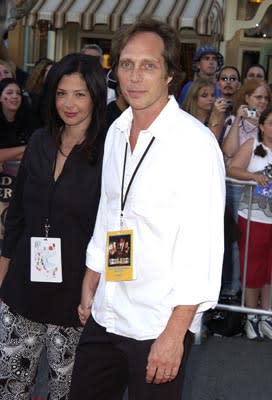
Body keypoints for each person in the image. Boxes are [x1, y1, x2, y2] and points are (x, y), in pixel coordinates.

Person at [69, 18, 225, 400]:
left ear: (170, 73)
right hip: (108, 310)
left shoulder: (196, 144)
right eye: (126, 64)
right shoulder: (117, 131)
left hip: (159, 321)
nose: (135, 77)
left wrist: (176, 334)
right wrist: (92, 273)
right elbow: (111, 211)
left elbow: (201, 247)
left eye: (148, 65)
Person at [0, 53, 107, 399]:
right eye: (62, 93)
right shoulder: (40, 141)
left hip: (76, 298)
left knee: (66, 392)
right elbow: (15, 216)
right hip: (22, 290)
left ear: (95, 96)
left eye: (80, 94)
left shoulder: (111, 151)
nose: (69, 104)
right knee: (11, 388)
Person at [221, 79, 271, 297]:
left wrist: (264, 123)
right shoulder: (235, 119)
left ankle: (252, 294)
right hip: (235, 187)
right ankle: (234, 289)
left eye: (266, 98)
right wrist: (238, 120)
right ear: (247, 98)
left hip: (261, 196)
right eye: (257, 97)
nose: (262, 102)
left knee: (259, 252)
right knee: (234, 243)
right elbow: (229, 152)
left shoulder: (268, 123)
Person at [228, 108, 272, 340]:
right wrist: (254, 177)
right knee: (252, 267)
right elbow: (232, 168)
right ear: (262, 126)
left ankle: (266, 314)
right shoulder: (253, 146)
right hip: (254, 216)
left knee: (269, 269)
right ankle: (251, 315)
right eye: (271, 123)